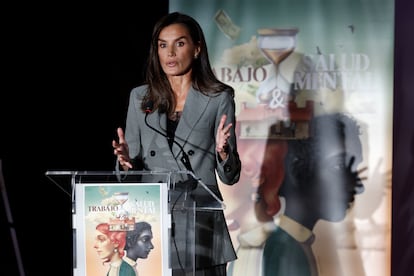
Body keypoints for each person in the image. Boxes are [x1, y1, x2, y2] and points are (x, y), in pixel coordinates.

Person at [112, 12, 241, 276]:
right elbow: (129, 172)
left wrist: (223, 152)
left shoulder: (218, 97)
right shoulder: (140, 98)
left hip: (201, 227)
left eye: (179, 43)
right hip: (153, 229)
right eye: (162, 45)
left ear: (196, 49)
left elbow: (230, 176)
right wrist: (124, 163)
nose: (170, 52)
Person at [262, 112, 366, 276]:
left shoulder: (294, 244)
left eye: (355, 168)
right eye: (339, 166)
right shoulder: (287, 251)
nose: (357, 186)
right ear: (296, 169)